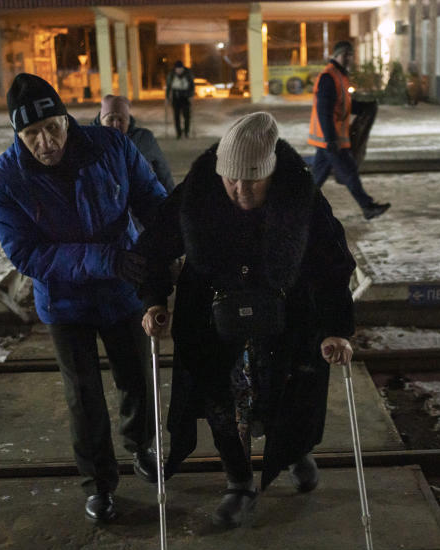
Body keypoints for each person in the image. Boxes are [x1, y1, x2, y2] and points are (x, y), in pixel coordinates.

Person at [138, 112, 356, 528]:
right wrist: (153, 301)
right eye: (231, 179)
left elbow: (332, 264)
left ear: (271, 172)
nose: (240, 189)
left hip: (287, 314)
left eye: (253, 180)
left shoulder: (300, 196)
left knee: (289, 389)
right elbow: (152, 247)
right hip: (212, 317)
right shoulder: (198, 193)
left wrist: (336, 328)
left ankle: (292, 450)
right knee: (222, 399)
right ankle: (239, 482)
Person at [0, 73, 168, 523]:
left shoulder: (111, 146)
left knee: (137, 377)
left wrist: (174, 242)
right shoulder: (4, 179)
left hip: (122, 289)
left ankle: (141, 445)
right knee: (82, 394)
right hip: (65, 300)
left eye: (52, 127)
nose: (45, 142)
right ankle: (99, 482)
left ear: (67, 118)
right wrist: (107, 259)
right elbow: (27, 253)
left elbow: (152, 199)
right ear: (17, 135)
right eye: (30, 134)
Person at [308, 41, 391, 221]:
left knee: (318, 177)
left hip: (330, 139)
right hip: (330, 138)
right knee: (349, 171)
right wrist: (331, 139)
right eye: (346, 54)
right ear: (337, 54)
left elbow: (343, 105)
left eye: (351, 54)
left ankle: (299, 209)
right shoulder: (329, 77)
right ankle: (367, 207)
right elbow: (324, 110)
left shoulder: (340, 76)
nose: (349, 58)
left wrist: (364, 107)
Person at [93, 94, 175, 193]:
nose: (115, 124)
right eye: (110, 119)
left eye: (120, 120)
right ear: (101, 121)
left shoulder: (144, 138)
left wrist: (171, 199)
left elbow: (162, 171)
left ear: (128, 121)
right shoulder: (91, 139)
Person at [165, 60, 194, 139]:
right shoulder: (171, 75)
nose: (179, 71)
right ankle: (179, 133)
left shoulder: (188, 74)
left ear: (183, 68)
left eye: (180, 69)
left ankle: (186, 132)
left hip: (185, 97)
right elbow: (168, 87)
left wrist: (191, 95)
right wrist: (167, 97)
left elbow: (192, 86)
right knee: (176, 116)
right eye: (177, 69)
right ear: (175, 69)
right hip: (176, 97)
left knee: (187, 116)